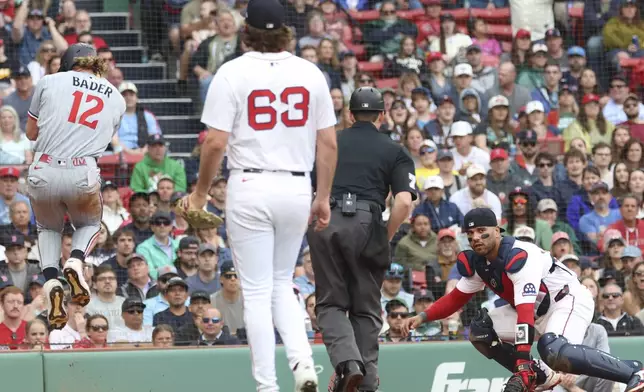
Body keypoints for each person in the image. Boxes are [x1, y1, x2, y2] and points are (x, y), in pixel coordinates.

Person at [179, 0, 338, 390]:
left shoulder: (232, 71)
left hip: (250, 185)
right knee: (283, 283)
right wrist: (323, 196)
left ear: (245, 30)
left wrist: (200, 194)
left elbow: (215, 142)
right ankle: (303, 365)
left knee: (257, 290)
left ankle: (267, 385)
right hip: (297, 185)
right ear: (286, 31)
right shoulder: (310, 72)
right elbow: (329, 144)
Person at [402, 208, 644, 392]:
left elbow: (525, 313)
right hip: (538, 311)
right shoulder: (479, 262)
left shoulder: (519, 255)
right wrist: (422, 317)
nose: (476, 237)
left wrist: (521, 363)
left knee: (552, 349)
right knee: (480, 330)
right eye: (470, 233)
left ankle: (634, 371)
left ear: (497, 231)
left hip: (567, 300)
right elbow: (455, 298)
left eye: (481, 231)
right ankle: (538, 374)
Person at [307, 86, 416, 392]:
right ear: (381, 115)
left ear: (350, 114)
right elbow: (404, 202)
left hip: (327, 217)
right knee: (366, 309)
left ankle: (348, 364)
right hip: (369, 221)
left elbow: (308, 186)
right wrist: (384, 235)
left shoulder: (330, 143)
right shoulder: (395, 150)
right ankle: (365, 380)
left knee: (330, 304)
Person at [25, 43, 126, 330]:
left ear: (67, 63)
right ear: (95, 64)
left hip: (43, 168)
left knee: (48, 228)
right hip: (83, 170)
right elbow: (104, 139)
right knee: (91, 224)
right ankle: (75, 262)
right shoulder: (117, 97)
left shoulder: (48, 81)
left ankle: (52, 281)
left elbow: (31, 132)